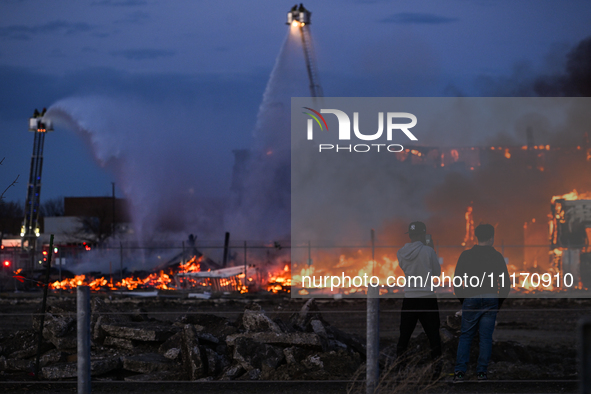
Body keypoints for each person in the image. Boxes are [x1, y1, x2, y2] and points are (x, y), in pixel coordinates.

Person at [453, 224, 510, 383]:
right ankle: (482, 373)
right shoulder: (497, 256)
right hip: (491, 299)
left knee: (466, 336)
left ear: (476, 237)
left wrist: (464, 302)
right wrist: (497, 303)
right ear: (492, 238)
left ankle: (459, 373)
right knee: (485, 338)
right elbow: (505, 284)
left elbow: (457, 282)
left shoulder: (466, 255)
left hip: (471, 298)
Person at [396, 221, 442, 375]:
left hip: (409, 297)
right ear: (423, 235)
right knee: (433, 335)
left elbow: (405, 268)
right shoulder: (428, 251)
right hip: (427, 297)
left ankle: (400, 368)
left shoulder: (401, 252)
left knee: (404, 335)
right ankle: (436, 369)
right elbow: (436, 273)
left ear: (409, 235)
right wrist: (432, 249)